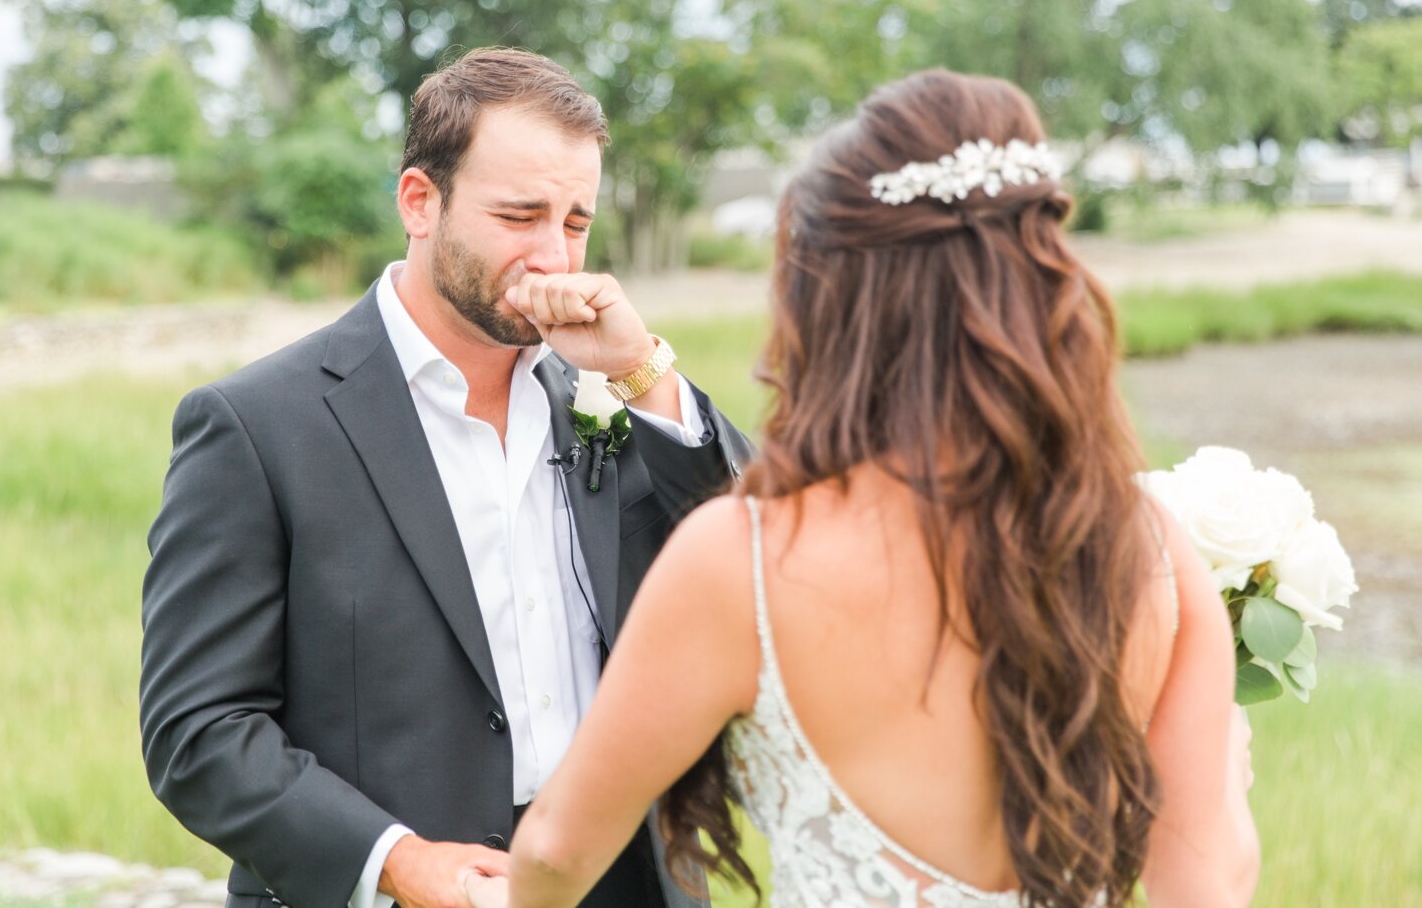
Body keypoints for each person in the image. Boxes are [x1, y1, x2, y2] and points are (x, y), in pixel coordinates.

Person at [478, 69, 1260, 907]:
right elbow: (1207, 884)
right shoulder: (1153, 549)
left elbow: (558, 854)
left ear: (829, 299)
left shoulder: (743, 560)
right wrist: (1227, 768)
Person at [139, 47, 751, 908]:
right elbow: (197, 732)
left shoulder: (613, 396)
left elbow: (767, 547)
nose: (554, 258)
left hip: (624, 883)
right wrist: (394, 862)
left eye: (575, 222)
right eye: (520, 215)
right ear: (420, 202)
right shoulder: (254, 426)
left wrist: (644, 371)